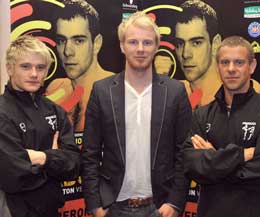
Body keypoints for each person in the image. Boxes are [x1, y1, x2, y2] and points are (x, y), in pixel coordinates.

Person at [82, 12, 192, 217]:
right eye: (133, 42)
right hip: (113, 207)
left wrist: (175, 203)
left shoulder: (175, 91)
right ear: (122, 46)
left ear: (156, 46)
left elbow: (183, 153)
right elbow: (90, 154)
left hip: (160, 207)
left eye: (147, 42)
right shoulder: (102, 91)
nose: (140, 49)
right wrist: (96, 206)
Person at [0, 35, 80, 217]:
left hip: (51, 210)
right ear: (9, 68)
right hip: (14, 211)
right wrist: (56, 161)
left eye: (40, 67)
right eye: (25, 66)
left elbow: (75, 165)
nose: (34, 74)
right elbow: (12, 176)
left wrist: (42, 158)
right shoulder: (2, 112)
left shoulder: (55, 111)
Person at [183, 36, 260, 217]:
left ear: (252, 66)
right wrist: (242, 155)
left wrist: (214, 160)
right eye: (225, 62)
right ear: (217, 67)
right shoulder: (202, 114)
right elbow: (192, 165)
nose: (231, 69)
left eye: (239, 62)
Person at [46, 0, 113, 132]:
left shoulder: (114, 90)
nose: (67, 51)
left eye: (78, 41)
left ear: (97, 43)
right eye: (61, 40)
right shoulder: (56, 89)